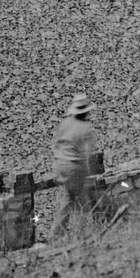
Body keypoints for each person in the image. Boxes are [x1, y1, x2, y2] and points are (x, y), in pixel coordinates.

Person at [53, 93, 100, 229]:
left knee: (67, 198)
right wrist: (90, 172)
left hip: (60, 164)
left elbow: (56, 144)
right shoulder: (86, 128)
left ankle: (58, 231)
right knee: (82, 201)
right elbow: (88, 153)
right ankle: (81, 230)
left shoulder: (65, 123)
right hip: (74, 166)